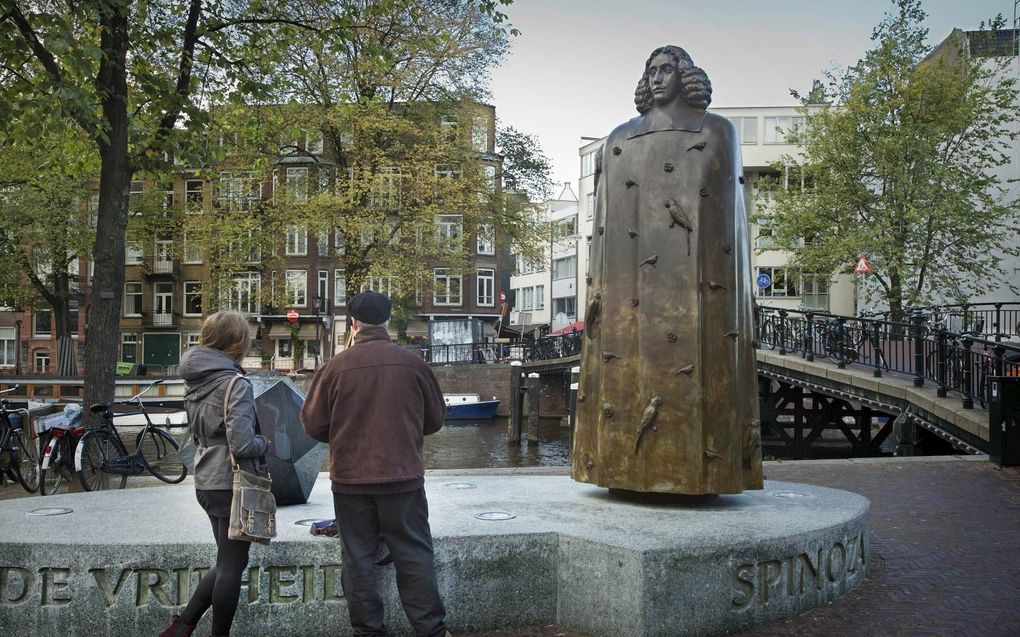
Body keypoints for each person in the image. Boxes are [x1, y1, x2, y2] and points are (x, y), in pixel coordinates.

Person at [572, 45, 763, 495]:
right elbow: (607, 220)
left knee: (696, 380)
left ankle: (698, 471)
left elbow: (723, 219)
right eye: (651, 71)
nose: (658, 78)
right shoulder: (619, 137)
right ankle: (618, 465)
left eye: (667, 70)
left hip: (697, 289)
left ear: (685, 76)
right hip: (626, 289)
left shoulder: (716, 131)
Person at [301, 291, 451, 637]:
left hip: (351, 481)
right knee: (413, 552)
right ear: (388, 321)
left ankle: (369, 631)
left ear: (353, 324)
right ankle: (431, 630)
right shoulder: (413, 364)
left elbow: (312, 425)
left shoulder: (334, 368)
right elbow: (435, 420)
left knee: (357, 558)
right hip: (403, 478)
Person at [160, 311, 271, 637]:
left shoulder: (197, 379)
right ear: (237, 342)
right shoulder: (235, 383)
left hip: (207, 478)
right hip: (232, 482)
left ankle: (182, 625)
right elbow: (242, 443)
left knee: (227, 561)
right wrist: (264, 442)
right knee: (232, 565)